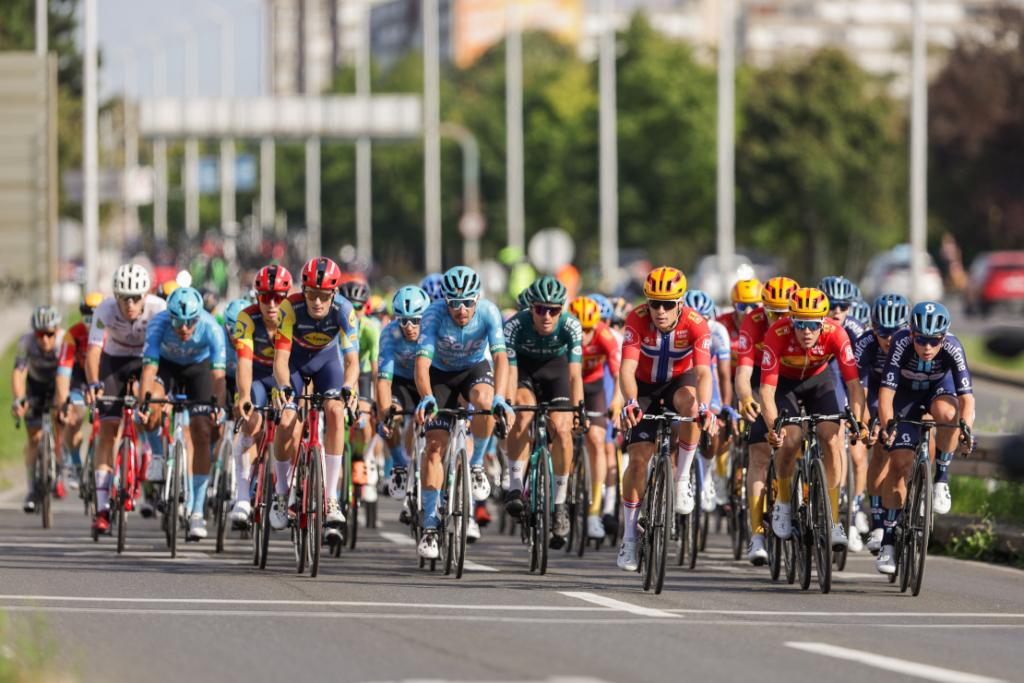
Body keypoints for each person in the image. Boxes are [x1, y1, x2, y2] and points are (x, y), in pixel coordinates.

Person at [617, 267, 717, 571]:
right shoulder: (636, 319)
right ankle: (629, 536)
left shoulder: (696, 324)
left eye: (668, 304)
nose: (660, 311)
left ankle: (682, 478)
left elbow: (703, 373)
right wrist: (630, 402)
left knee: (692, 407)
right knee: (637, 460)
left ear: (680, 303)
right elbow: (626, 369)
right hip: (644, 386)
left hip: (679, 382)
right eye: (654, 303)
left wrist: (706, 407)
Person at [413, 266, 513, 560]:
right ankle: (430, 523)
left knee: (485, 402)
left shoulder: (489, 312)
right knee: (434, 446)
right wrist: (427, 396)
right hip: (440, 374)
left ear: (477, 298)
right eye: (454, 303)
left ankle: (477, 464)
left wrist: (500, 398)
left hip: (473, 370)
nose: (461, 309)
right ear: (445, 300)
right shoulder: (433, 315)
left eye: (468, 302)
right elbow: (421, 364)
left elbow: (500, 358)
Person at [759, 287, 868, 553]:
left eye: (813, 325)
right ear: (791, 320)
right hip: (785, 385)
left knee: (832, 437)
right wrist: (774, 428)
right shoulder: (777, 333)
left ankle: (833, 520)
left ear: (823, 323)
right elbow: (766, 391)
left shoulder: (836, 333)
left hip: (819, 381)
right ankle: (784, 502)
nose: (806, 331)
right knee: (791, 440)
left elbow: (853, 385)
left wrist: (858, 420)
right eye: (800, 324)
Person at [876, 302, 975, 573]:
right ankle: (887, 542)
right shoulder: (900, 343)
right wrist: (888, 426)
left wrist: (966, 429)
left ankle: (941, 478)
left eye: (934, 341)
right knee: (900, 464)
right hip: (904, 396)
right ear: (911, 334)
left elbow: (967, 399)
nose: (927, 347)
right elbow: (886, 395)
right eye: (921, 340)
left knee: (948, 414)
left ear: (944, 337)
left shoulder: (953, 347)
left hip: (938, 390)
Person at [272, 257, 359, 540]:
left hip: (327, 363)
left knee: (335, 412)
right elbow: (280, 360)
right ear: (303, 291)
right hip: (295, 363)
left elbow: (352, 361)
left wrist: (348, 387)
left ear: (334, 293)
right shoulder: (290, 307)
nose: (317, 302)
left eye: (323, 295)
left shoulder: (344, 310)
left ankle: (331, 497)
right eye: (311, 294)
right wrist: (284, 387)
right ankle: (281, 494)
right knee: (287, 417)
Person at [503, 276, 585, 550]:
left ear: (562, 310)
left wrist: (579, 410)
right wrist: (507, 404)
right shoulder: (515, 325)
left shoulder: (571, 326)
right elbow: (510, 372)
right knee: (522, 414)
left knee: (562, 430)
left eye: (553, 310)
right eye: (540, 309)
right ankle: (516, 485)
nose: (546, 316)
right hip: (524, 371)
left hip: (556, 371)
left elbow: (574, 375)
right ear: (531, 309)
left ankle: (559, 505)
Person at [139, 286, 227, 541]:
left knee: (202, 431)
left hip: (198, 369)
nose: (185, 328)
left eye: (190, 322)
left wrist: (218, 408)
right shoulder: (158, 325)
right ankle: (157, 455)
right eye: (178, 322)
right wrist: (145, 404)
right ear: (170, 317)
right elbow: (148, 371)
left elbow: (218, 377)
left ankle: (197, 511)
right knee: (151, 407)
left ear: (199, 317)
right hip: (166, 367)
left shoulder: (211, 328)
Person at [85, 264, 166, 535]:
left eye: (135, 298)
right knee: (107, 430)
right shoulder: (104, 309)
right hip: (115, 361)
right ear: (115, 296)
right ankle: (102, 508)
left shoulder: (158, 308)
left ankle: (154, 456)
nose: (130, 304)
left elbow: (166, 350)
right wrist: (94, 383)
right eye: (124, 298)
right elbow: (94, 351)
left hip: (146, 361)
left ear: (146, 295)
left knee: (150, 413)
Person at [733, 275, 798, 564]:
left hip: (794, 380)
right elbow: (743, 372)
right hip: (763, 380)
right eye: (773, 313)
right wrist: (746, 397)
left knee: (799, 440)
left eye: (785, 313)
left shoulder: (803, 324)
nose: (780, 319)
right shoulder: (753, 321)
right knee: (759, 454)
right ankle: (757, 534)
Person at [231, 265, 291, 525]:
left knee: (292, 423)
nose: (272, 304)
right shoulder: (247, 318)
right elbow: (244, 363)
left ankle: (295, 483)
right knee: (251, 422)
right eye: (266, 297)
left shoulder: (294, 317)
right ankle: (242, 496)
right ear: (257, 297)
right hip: (255, 377)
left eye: (278, 297)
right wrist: (244, 397)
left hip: (284, 377)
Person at [853, 293, 909, 555]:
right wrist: (866, 423)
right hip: (874, 392)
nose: (889, 339)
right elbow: (859, 391)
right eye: (882, 332)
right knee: (880, 452)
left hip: (905, 391)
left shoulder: (912, 342)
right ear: (873, 328)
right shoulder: (865, 343)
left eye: (895, 332)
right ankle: (878, 522)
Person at [820, 275, 869, 551]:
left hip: (848, 378)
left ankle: (853, 509)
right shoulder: (811, 324)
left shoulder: (855, 329)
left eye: (843, 306)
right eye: (831, 305)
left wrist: (860, 416)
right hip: (822, 377)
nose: (837, 311)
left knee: (857, 451)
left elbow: (861, 379)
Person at [568, 295, 622, 540]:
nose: (583, 335)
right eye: (579, 328)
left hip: (593, 387)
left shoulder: (605, 335)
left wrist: (616, 402)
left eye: (588, 329)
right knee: (562, 434)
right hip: (568, 384)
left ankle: (594, 512)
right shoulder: (564, 332)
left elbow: (619, 374)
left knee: (598, 442)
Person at [375, 286, 431, 501]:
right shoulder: (390, 333)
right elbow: (383, 380)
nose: (409, 327)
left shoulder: (434, 329)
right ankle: (399, 462)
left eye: (416, 320)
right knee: (391, 413)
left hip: (428, 379)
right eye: (403, 320)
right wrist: (384, 416)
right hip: (400, 381)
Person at [682, 289, 735, 513]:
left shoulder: (717, 331)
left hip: (706, 378)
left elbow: (723, 375)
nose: (699, 323)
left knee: (713, 430)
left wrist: (724, 407)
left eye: (704, 318)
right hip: (682, 378)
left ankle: (706, 476)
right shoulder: (677, 329)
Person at [12, 307, 64, 513]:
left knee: (61, 423)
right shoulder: (25, 342)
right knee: (33, 438)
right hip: (35, 385)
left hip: (59, 384)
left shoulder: (64, 341)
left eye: (49, 334)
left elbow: (68, 374)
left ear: (57, 330)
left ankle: (59, 469)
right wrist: (19, 400)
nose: (44, 339)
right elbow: (19, 372)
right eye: (40, 334)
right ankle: (32, 488)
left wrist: (64, 403)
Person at [54, 292, 104, 490]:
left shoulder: (111, 333)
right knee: (73, 418)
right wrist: (64, 403)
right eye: (87, 317)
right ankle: (75, 462)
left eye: (96, 317)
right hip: (80, 378)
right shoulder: (72, 334)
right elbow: (63, 372)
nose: (91, 323)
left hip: (104, 377)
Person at [338, 280, 381, 497]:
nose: (353, 312)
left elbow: (375, 371)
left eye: (358, 307)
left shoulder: (371, 329)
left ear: (366, 307)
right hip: (337, 373)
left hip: (362, 373)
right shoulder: (335, 324)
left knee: (363, 419)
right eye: (348, 305)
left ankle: (360, 456)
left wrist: (378, 402)